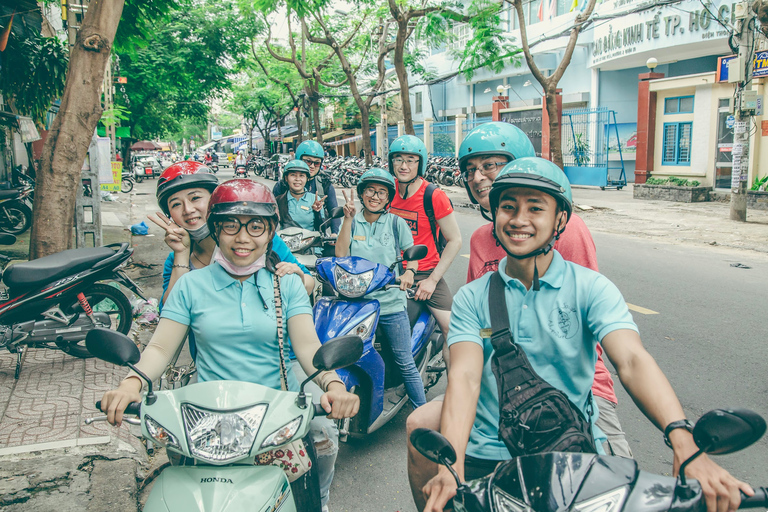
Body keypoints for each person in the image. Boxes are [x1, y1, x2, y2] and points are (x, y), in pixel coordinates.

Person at [419, 157, 753, 512]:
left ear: (560, 219)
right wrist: (450, 466)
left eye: (535, 208)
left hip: (571, 455)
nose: (518, 220)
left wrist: (683, 441)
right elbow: (465, 377)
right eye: (508, 207)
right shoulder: (473, 296)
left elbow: (632, 360)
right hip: (487, 456)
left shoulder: (592, 288)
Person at [406, 123, 631, 508]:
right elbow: (480, 325)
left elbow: (585, 317)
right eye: (471, 169)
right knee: (418, 426)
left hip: (575, 382)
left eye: (490, 165)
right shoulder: (480, 239)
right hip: (499, 379)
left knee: (620, 480)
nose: (478, 177)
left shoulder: (566, 229)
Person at [99, 180, 359, 512]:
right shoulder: (191, 285)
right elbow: (161, 349)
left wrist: (334, 385)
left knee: (309, 485)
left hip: (276, 421)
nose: (243, 238)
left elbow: (308, 346)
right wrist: (130, 384)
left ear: (270, 232)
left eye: (255, 227)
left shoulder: (287, 284)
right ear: (216, 230)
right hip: (207, 422)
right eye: (230, 226)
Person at [335, 168, 426, 410]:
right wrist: (347, 218)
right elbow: (341, 254)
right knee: (350, 356)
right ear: (363, 194)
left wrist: (409, 272)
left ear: (388, 198)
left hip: (390, 303)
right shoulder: (353, 222)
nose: (375, 196)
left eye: (382, 193)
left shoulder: (396, 223)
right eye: (371, 191)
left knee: (405, 361)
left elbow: (412, 255)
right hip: (358, 304)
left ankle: (422, 411)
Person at [387, 135, 462, 348]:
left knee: (452, 331)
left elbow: (455, 240)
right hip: (390, 270)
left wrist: (432, 280)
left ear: (420, 163)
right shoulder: (386, 191)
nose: (403, 166)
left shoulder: (433, 195)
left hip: (425, 272)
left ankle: (454, 381)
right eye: (398, 159)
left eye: (411, 160)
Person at [273, 140, 341, 235]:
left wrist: (335, 233)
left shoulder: (324, 184)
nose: (312, 166)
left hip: (316, 238)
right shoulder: (282, 186)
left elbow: (334, 211)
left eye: (316, 163)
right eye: (308, 161)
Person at [275, 159, 325, 233]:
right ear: (286, 178)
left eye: (301, 176)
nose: (297, 179)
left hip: (310, 243)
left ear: (307, 178)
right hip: (285, 243)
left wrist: (317, 213)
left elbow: (322, 229)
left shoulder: (314, 199)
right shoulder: (279, 200)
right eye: (293, 175)